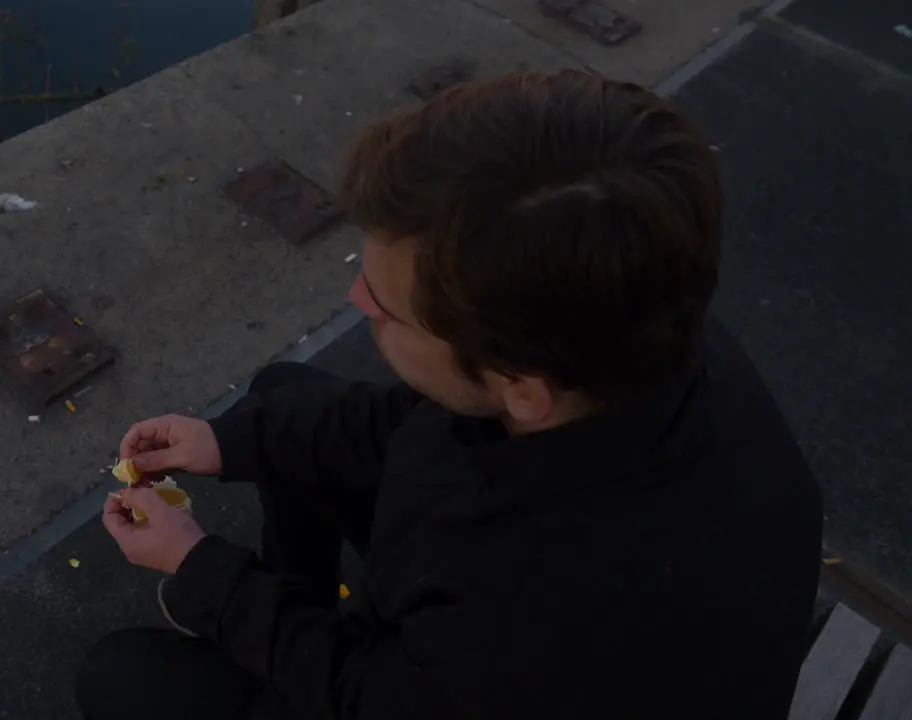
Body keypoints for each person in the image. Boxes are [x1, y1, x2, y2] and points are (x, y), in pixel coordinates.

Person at [75, 70, 822, 719]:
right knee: (280, 403)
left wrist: (205, 574)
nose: (356, 298)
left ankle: (267, 626)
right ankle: (283, 601)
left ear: (522, 388)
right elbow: (425, 420)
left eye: (385, 306)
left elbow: (368, 697)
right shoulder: (640, 334)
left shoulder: (538, 620)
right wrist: (226, 444)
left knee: (124, 681)